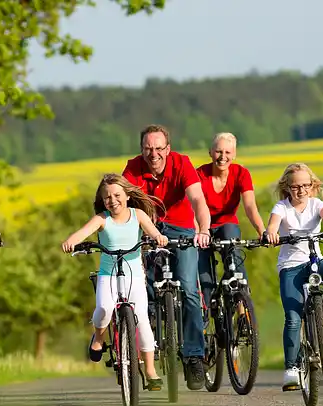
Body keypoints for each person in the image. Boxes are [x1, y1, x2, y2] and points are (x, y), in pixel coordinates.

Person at [121, 124, 211, 391]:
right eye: (148, 148)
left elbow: (198, 199)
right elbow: (121, 203)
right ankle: (148, 344)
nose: (154, 154)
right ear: (141, 149)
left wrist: (203, 230)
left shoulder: (182, 164)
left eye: (159, 148)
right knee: (142, 291)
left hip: (181, 228)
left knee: (189, 289)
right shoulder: (133, 168)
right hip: (148, 229)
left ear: (168, 149)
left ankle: (194, 356)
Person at [61, 173, 168, 391]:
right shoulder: (102, 219)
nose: (113, 200)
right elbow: (82, 233)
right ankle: (99, 338)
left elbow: (153, 232)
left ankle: (150, 370)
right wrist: (71, 242)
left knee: (142, 320)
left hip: (134, 275)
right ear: (103, 200)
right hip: (108, 275)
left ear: (127, 195)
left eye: (117, 195)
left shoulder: (138, 215)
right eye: (107, 197)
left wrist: (159, 238)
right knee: (104, 307)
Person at [264, 162, 323, 392]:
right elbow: (273, 225)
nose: (301, 190)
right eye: (295, 187)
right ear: (287, 187)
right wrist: (271, 234)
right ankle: (291, 368)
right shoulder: (282, 207)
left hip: (314, 260)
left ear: (313, 186)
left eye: (306, 185)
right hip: (291, 267)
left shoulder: (316, 204)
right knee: (293, 318)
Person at [196, 132, 266, 317]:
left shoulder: (241, 173)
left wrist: (262, 231)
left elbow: (250, 206)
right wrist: (199, 232)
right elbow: (192, 207)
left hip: (226, 224)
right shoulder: (199, 175)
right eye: (218, 151)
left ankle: (242, 303)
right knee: (204, 275)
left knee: (233, 249)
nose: (222, 157)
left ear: (234, 155)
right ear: (210, 152)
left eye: (227, 152)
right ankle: (207, 316)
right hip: (202, 226)